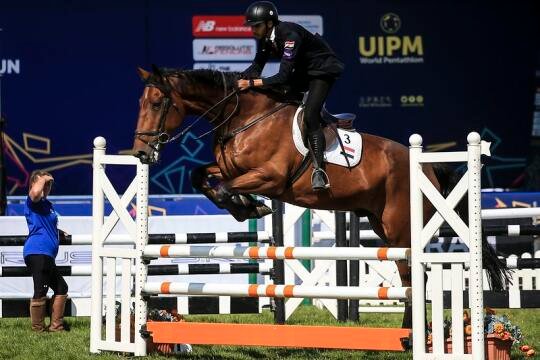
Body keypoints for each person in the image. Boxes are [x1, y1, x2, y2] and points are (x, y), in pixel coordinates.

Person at [237, 1, 344, 191]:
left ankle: (319, 171)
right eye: (251, 26)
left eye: (256, 26)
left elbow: (282, 77)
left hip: (321, 72)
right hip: (303, 72)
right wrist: (234, 82)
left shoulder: (289, 35)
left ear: (269, 23)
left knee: (310, 114)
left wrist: (251, 84)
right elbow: (255, 68)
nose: (252, 30)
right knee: (275, 98)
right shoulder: (265, 39)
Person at [23, 171, 68, 332]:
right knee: (40, 290)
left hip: (46, 254)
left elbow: (45, 224)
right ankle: (38, 329)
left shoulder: (47, 205)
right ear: (35, 183)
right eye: (44, 183)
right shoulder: (32, 201)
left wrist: (58, 232)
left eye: (49, 184)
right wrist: (42, 178)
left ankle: (56, 326)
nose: (47, 186)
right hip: (37, 251)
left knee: (62, 287)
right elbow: (35, 193)